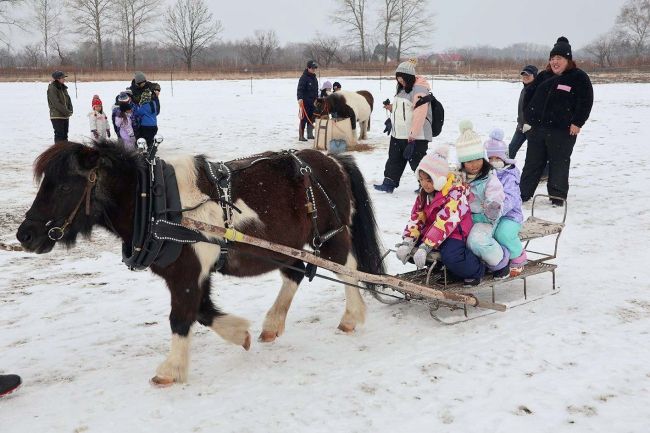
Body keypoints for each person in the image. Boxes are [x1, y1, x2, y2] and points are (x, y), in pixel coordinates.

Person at [394, 144, 484, 285]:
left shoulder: (456, 193)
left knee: (451, 256)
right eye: (421, 179)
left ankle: (477, 268)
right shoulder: (424, 195)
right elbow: (416, 218)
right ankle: (443, 267)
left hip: (455, 233)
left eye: (429, 180)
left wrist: (426, 246)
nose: (424, 184)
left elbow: (445, 222)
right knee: (411, 251)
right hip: (433, 232)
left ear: (439, 179)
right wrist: (407, 241)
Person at [520, 36, 594, 206]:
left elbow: (586, 101)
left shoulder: (578, 77)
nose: (554, 62)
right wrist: (529, 118)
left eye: (558, 58)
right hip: (538, 129)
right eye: (552, 58)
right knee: (532, 162)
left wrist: (578, 122)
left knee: (558, 163)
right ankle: (523, 194)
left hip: (563, 130)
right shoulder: (544, 76)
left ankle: (557, 197)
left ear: (568, 59)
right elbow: (529, 95)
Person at [455, 120, 510, 280]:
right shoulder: (459, 178)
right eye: (469, 161)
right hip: (463, 218)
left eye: (478, 159)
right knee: (455, 241)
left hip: (485, 218)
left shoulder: (489, 179)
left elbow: (496, 196)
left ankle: (500, 261)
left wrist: (492, 206)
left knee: (476, 241)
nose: (474, 165)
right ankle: (470, 268)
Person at [374, 59, 433, 193]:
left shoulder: (419, 90)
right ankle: (388, 183)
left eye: (402, 79)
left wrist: (412, 135)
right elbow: (404, 108)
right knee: (394, 159)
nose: (400, 81)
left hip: (416, 136)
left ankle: (425, 187)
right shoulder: (402, 89)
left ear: (409, 77)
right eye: (398, 79)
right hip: (398, 134)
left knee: (417, 162)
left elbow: (420, 113)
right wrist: (391, 109)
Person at [485, 128, 527, 276]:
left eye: (497, 158)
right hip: (490, 214)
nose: (494, 162)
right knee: (487, 235)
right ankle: (500, 259)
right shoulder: (487, 174)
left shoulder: (510, 176)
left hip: (510, 215)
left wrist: (499, 209)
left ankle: (518, 256)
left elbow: (511, 197)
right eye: (490, 158)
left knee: (503, 234)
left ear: (504, 158)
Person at [508, 64, 538, 159]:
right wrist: (520, 122)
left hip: (532, 129)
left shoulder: (537, 90)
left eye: (528, 75)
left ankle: (542, 173)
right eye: (524, 75)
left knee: (534, 155)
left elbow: (539, 110)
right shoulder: (525, 88)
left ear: (535, 76)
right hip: (521, 127)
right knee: (510, 150)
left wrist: (531, 124)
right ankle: (507, 171)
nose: (525, 77)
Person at [47, 70, 73, 142]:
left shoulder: (63, 88)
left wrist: (70, 110)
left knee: (65, 135)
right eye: (62, 78)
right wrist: (66, 112)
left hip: (65, 115)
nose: (64, 79)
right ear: (57, 79)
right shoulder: (52, 88)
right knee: (59, 135)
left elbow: (68, 100)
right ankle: (58, 152)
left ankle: (65, 152)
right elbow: (56, 103)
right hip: (57, 116)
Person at [297, 60, 319, 142]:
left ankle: (310, 134)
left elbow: (316, 91)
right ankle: (301, 136)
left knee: (312, 118)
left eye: (315, 68)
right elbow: (300, 90)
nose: (314, 69)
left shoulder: (314, 78)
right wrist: (300, 98)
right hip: (305, 102)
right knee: (304, 119)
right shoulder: (304, 78)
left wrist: (317, 99)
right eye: (312, 68)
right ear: (308, 67)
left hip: (313, 103)